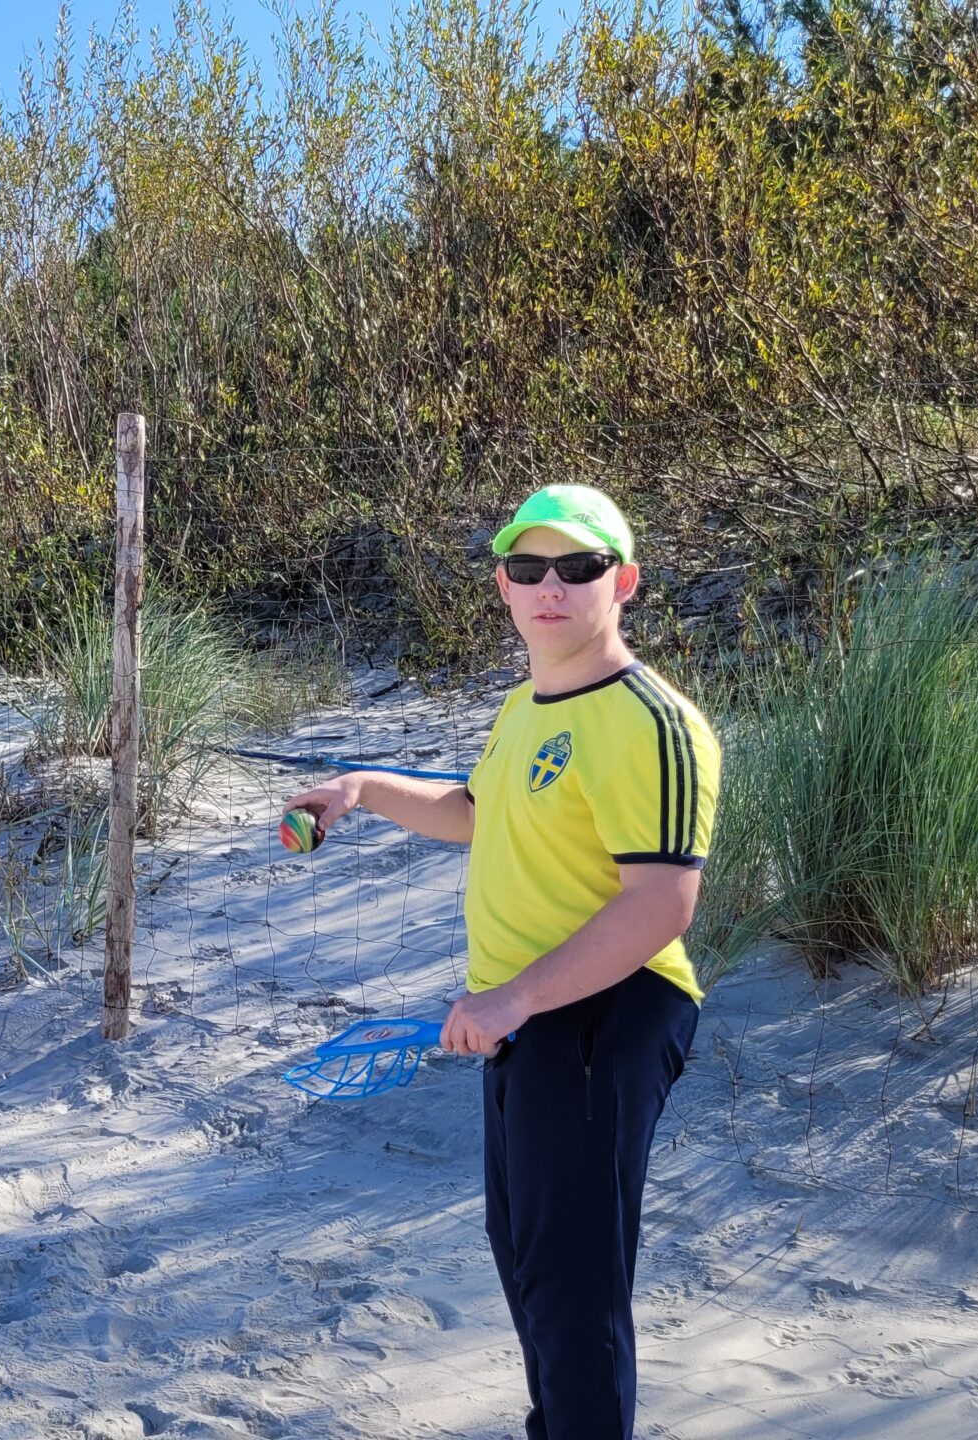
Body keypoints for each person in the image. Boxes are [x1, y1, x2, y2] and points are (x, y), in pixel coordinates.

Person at [287, 484, 718, 1440]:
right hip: (527, 1012)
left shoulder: (650, 720)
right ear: (504, 586)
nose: (551, 587)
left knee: (572, 1276)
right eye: (530, 567)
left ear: (624, 583)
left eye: (579, 567)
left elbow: (662, 903)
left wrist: (517, 997)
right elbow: (476, 814)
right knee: (524, 1250)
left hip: (610, 1004)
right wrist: (361, 789)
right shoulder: (527, 705)